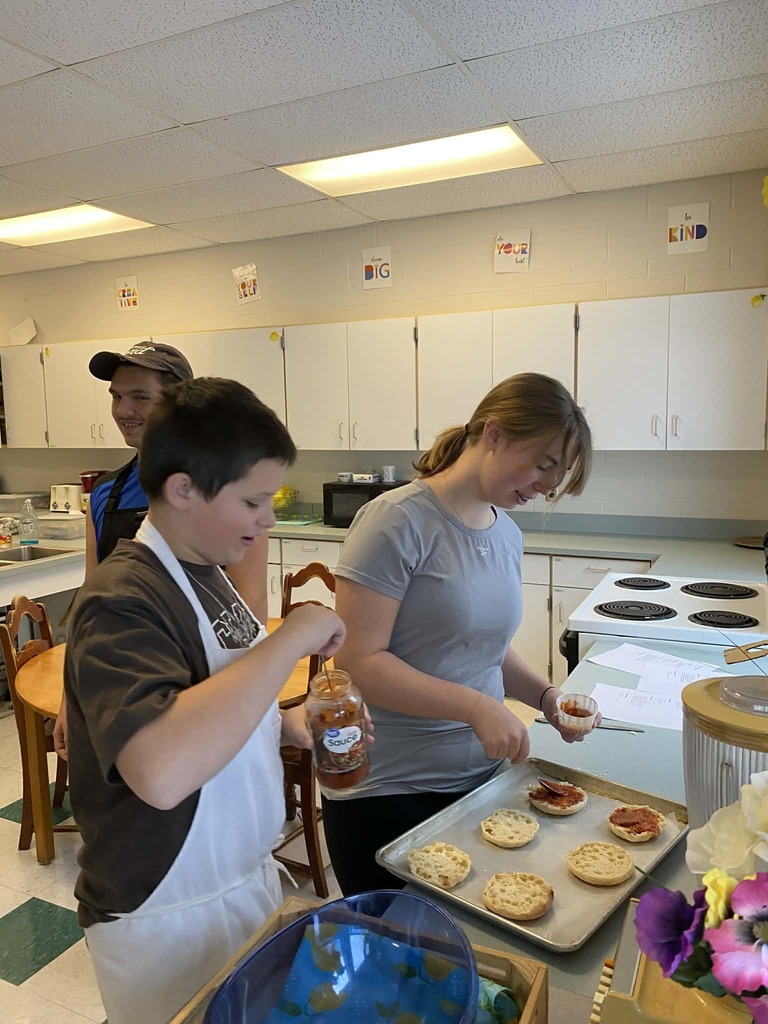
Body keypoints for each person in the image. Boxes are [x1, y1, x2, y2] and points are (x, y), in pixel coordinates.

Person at [65, 378, 347, 1024]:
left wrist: (284, 725)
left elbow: (212, 705)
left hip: (237, 885)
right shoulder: (120, 600)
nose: (268, 519)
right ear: (183, 489)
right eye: (252, 500)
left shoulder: (205, 576)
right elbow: (160, 767)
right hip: (165, 916)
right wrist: (291, 639)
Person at [323, 372, 593, 896]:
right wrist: (475, 707)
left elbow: (484, 649)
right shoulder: (395, 521)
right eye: (542, 465)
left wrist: (545, 697)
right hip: (391, 792)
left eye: (554, 479)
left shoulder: (505, 532)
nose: (544, 488)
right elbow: (358, 661)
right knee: (397, 956)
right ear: (492, 434)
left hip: (480, 785)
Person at [53, 342, 269, 757]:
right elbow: (88, 609)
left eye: (140, 397)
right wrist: (71, 695)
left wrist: (234, 708)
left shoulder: (229, 491)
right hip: (120, 699)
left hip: (205, 695)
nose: (123, 410)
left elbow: (248, 613)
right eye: (116, 396)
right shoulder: (104, 495)